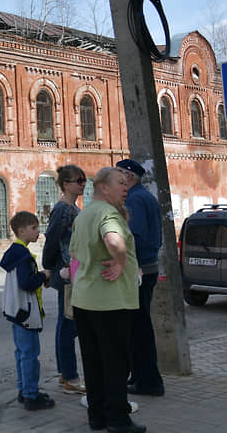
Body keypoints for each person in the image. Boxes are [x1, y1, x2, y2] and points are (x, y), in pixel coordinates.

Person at [71, 167, 146, 433]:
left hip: (85, 300)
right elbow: (114, 240)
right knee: (115, 363)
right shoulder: (107, 213)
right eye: (121, 183)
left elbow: (75, 255)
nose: (126, 187)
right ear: (103, 186)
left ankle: (97, 416)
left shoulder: (84, 214)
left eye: (127, 183)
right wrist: (121, 261)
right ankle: (118, 420)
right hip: (110, 302)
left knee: (93, 362)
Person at [115, 159, 164, 397]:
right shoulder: (144, 197)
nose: (118, 180)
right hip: (148, 265)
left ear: (129, 176)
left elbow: (133, 236)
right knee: (139, 326)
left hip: (141, 268)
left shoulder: (134, 199)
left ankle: (149, 382)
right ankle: (141, 376)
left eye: (119, 175)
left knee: (139, 329)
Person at [0, 211, 56, 411]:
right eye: (34, 228)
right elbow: (26, 283)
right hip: (26, 313)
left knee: (22, 353)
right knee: (30, 354)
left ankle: (24, 391)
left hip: (17, 313)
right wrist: (43, 275)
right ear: (21, 231)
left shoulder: (15, 252)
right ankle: (31, 396)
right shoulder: (22, 255)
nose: (38, 232)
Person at [41, 164, 87, 396]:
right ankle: (69, 376)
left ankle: (64, 374)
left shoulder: (71, 207)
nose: (83, 184)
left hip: (71, 271)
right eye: (79, 180)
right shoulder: (63, 209)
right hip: (67, 272)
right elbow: (51, 240)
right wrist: (48, 268)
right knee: (69, 324)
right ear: (66, 184)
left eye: (84, 180)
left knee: (66, 322)